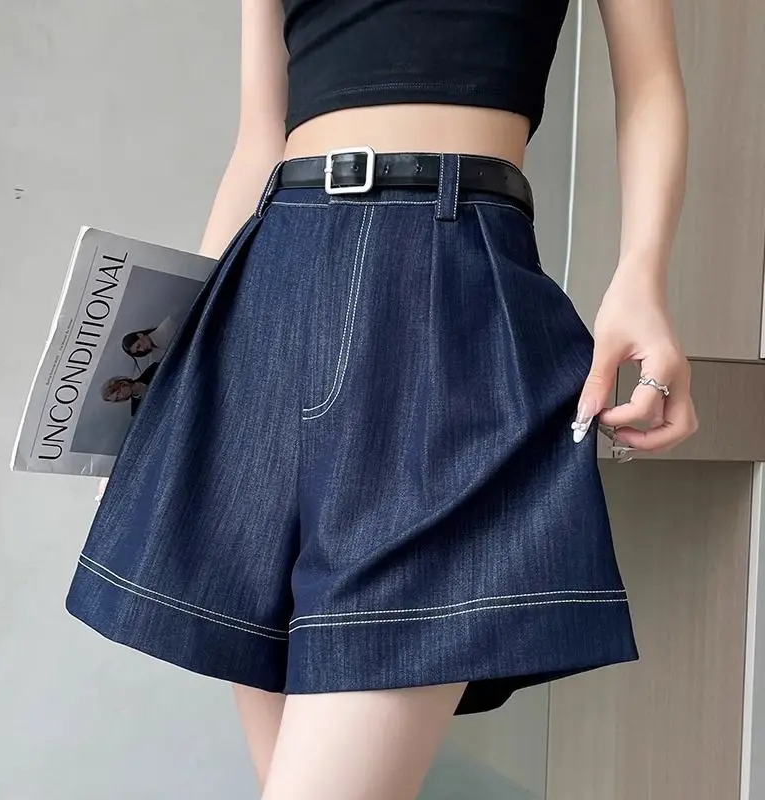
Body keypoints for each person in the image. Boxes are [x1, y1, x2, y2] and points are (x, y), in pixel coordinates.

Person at [68, 1, 697, 798]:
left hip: (449, 292)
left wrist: (642, 275)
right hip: (270, 292)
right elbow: (259, 139)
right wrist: (160, 382)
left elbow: (650, 86)